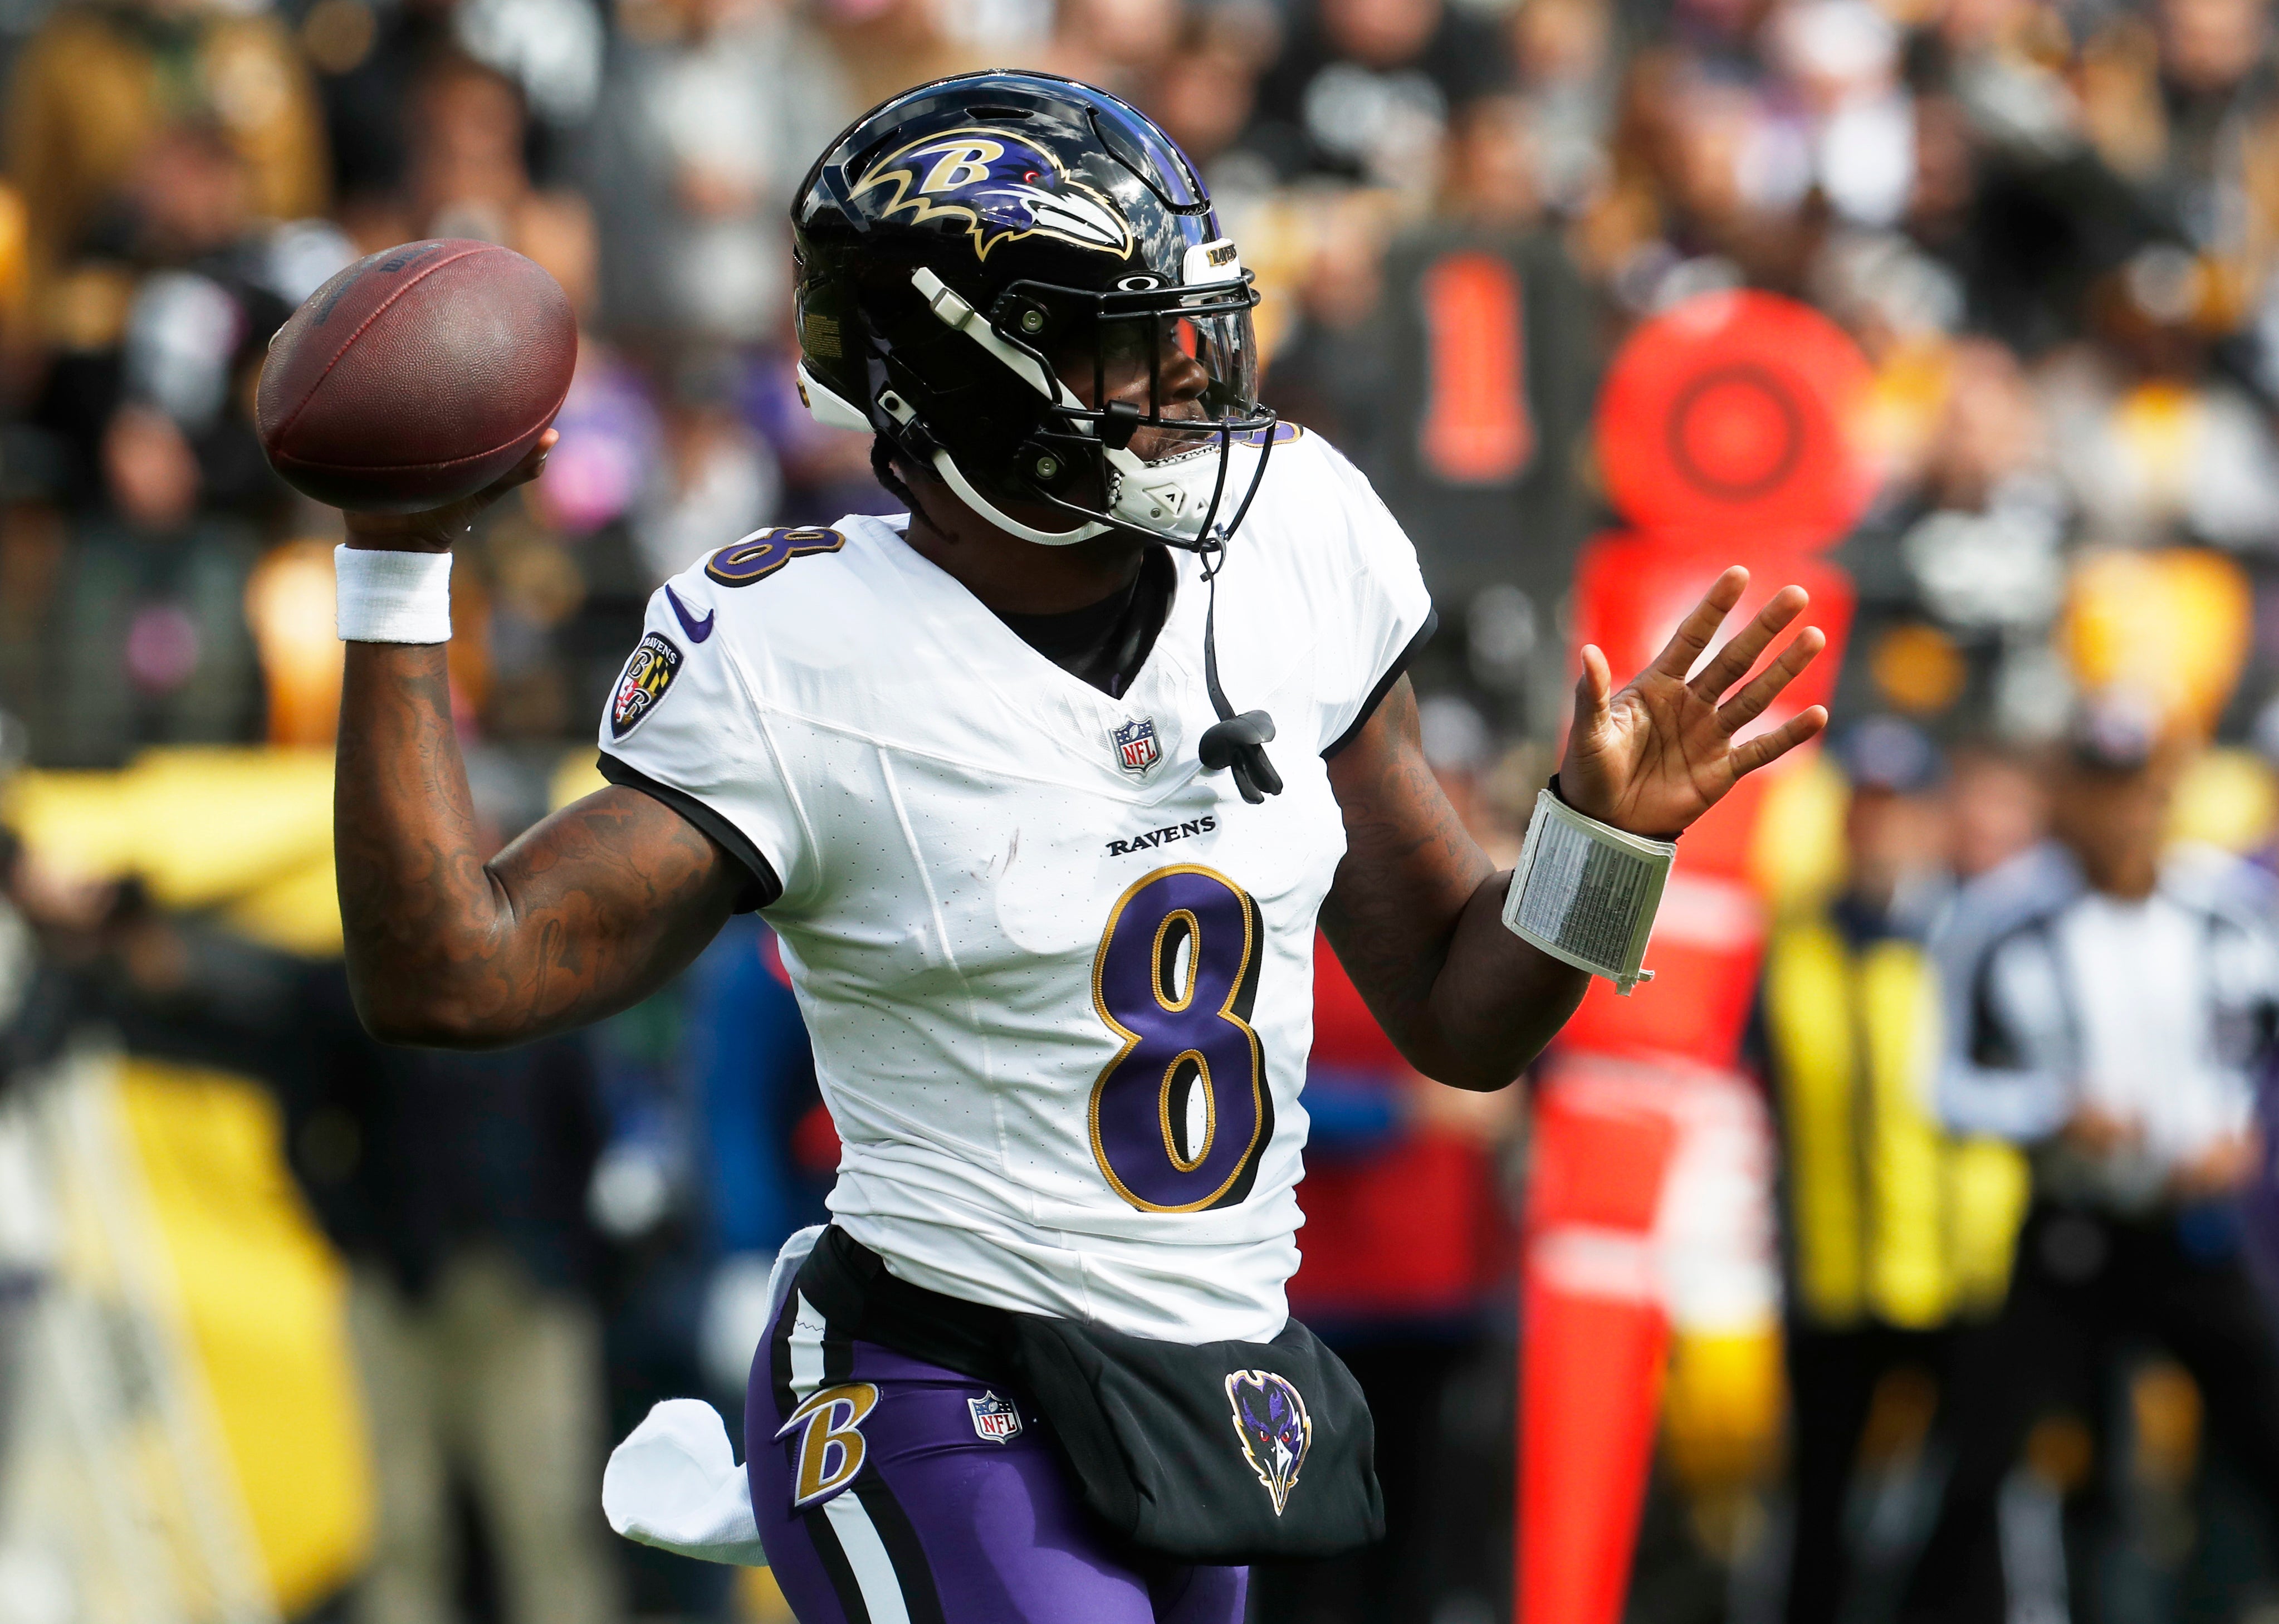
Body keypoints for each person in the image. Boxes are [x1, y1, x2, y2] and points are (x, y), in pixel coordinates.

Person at [321, 71, 1828, 1624]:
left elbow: (1462, 1014)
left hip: (1203, 1387)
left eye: (1184, 324)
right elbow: (452, 971)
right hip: (936, 1370)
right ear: (946, 379)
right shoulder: (801, 647)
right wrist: (395, 567)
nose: (1182, 376)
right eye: (1116, 337)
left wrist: (1595, 844)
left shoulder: (1292, 541)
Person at [1902, 697, 2279, 1624]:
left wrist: (2241, 1126)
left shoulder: (2225, 908)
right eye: (2100, 790)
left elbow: (2257, 1047)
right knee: (1993, 1455)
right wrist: (2050, 1112)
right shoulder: (2001, 916)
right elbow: (1939, 1085)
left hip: (2192, 1228)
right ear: (2064, 794)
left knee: (2264, 1434)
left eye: (2138, 791)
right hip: (2074, 1229)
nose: (2122, 815)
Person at [1753, 717, 2027, 1624]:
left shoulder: (1977, 937)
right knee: (1820, 1507)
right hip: (1833, 1270)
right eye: (1865, 810)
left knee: (1968, 1507)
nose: (1880, 831)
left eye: (1899, 810)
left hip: (1961, 1274)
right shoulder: (1793, 945)